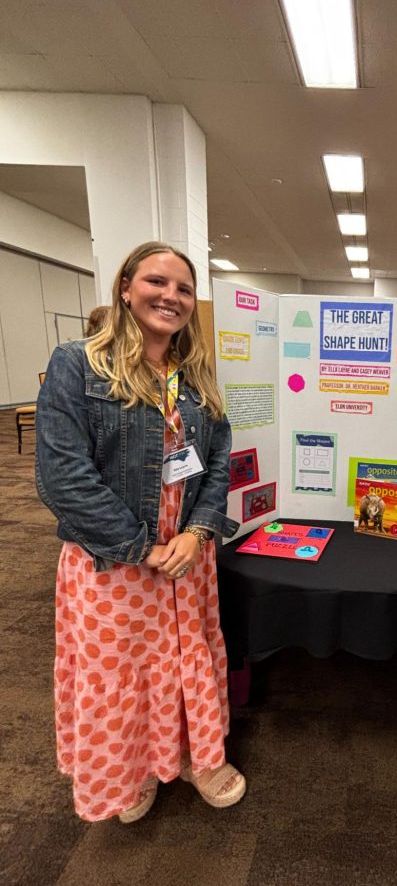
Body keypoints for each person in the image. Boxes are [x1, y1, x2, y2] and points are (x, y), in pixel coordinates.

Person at [36, 241, 245, 823]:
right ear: (125, 287)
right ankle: (134, 770)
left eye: (183, 288)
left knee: (189, 661)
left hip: (186, 557)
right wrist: (142, 548)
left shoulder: (194, 374)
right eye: (156, 282)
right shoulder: (77, 364)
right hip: (117, 566)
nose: (170, 297)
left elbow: (219, 458)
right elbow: (63, 478)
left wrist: (198, 532)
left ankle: (195, 757)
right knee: (122, 675)